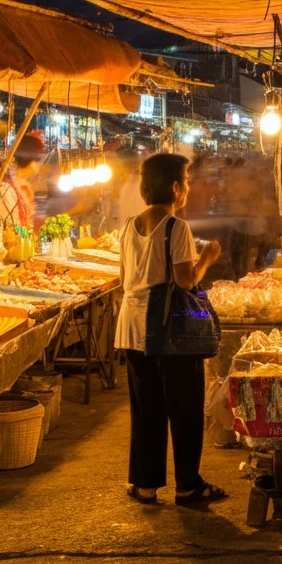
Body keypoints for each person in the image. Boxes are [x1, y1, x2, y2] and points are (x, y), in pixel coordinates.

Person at [115, 153, 225, 506]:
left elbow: (124, 280)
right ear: (176, 187)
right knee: (185, 409)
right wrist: (206, 258)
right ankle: (188, 486)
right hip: (169, 332)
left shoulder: (129, 226)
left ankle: (145, 486)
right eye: (186, 182)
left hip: (131, 329)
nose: (188, 189)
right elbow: (186, 280)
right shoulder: (178, 228)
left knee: (146, 409)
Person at [0, 131, 46, 244]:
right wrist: (28, 236)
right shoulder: (7, 188)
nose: (40, 164)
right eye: (37, 160)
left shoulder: (23, 185)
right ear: (28, 158)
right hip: (13, 248)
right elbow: (12, 226)